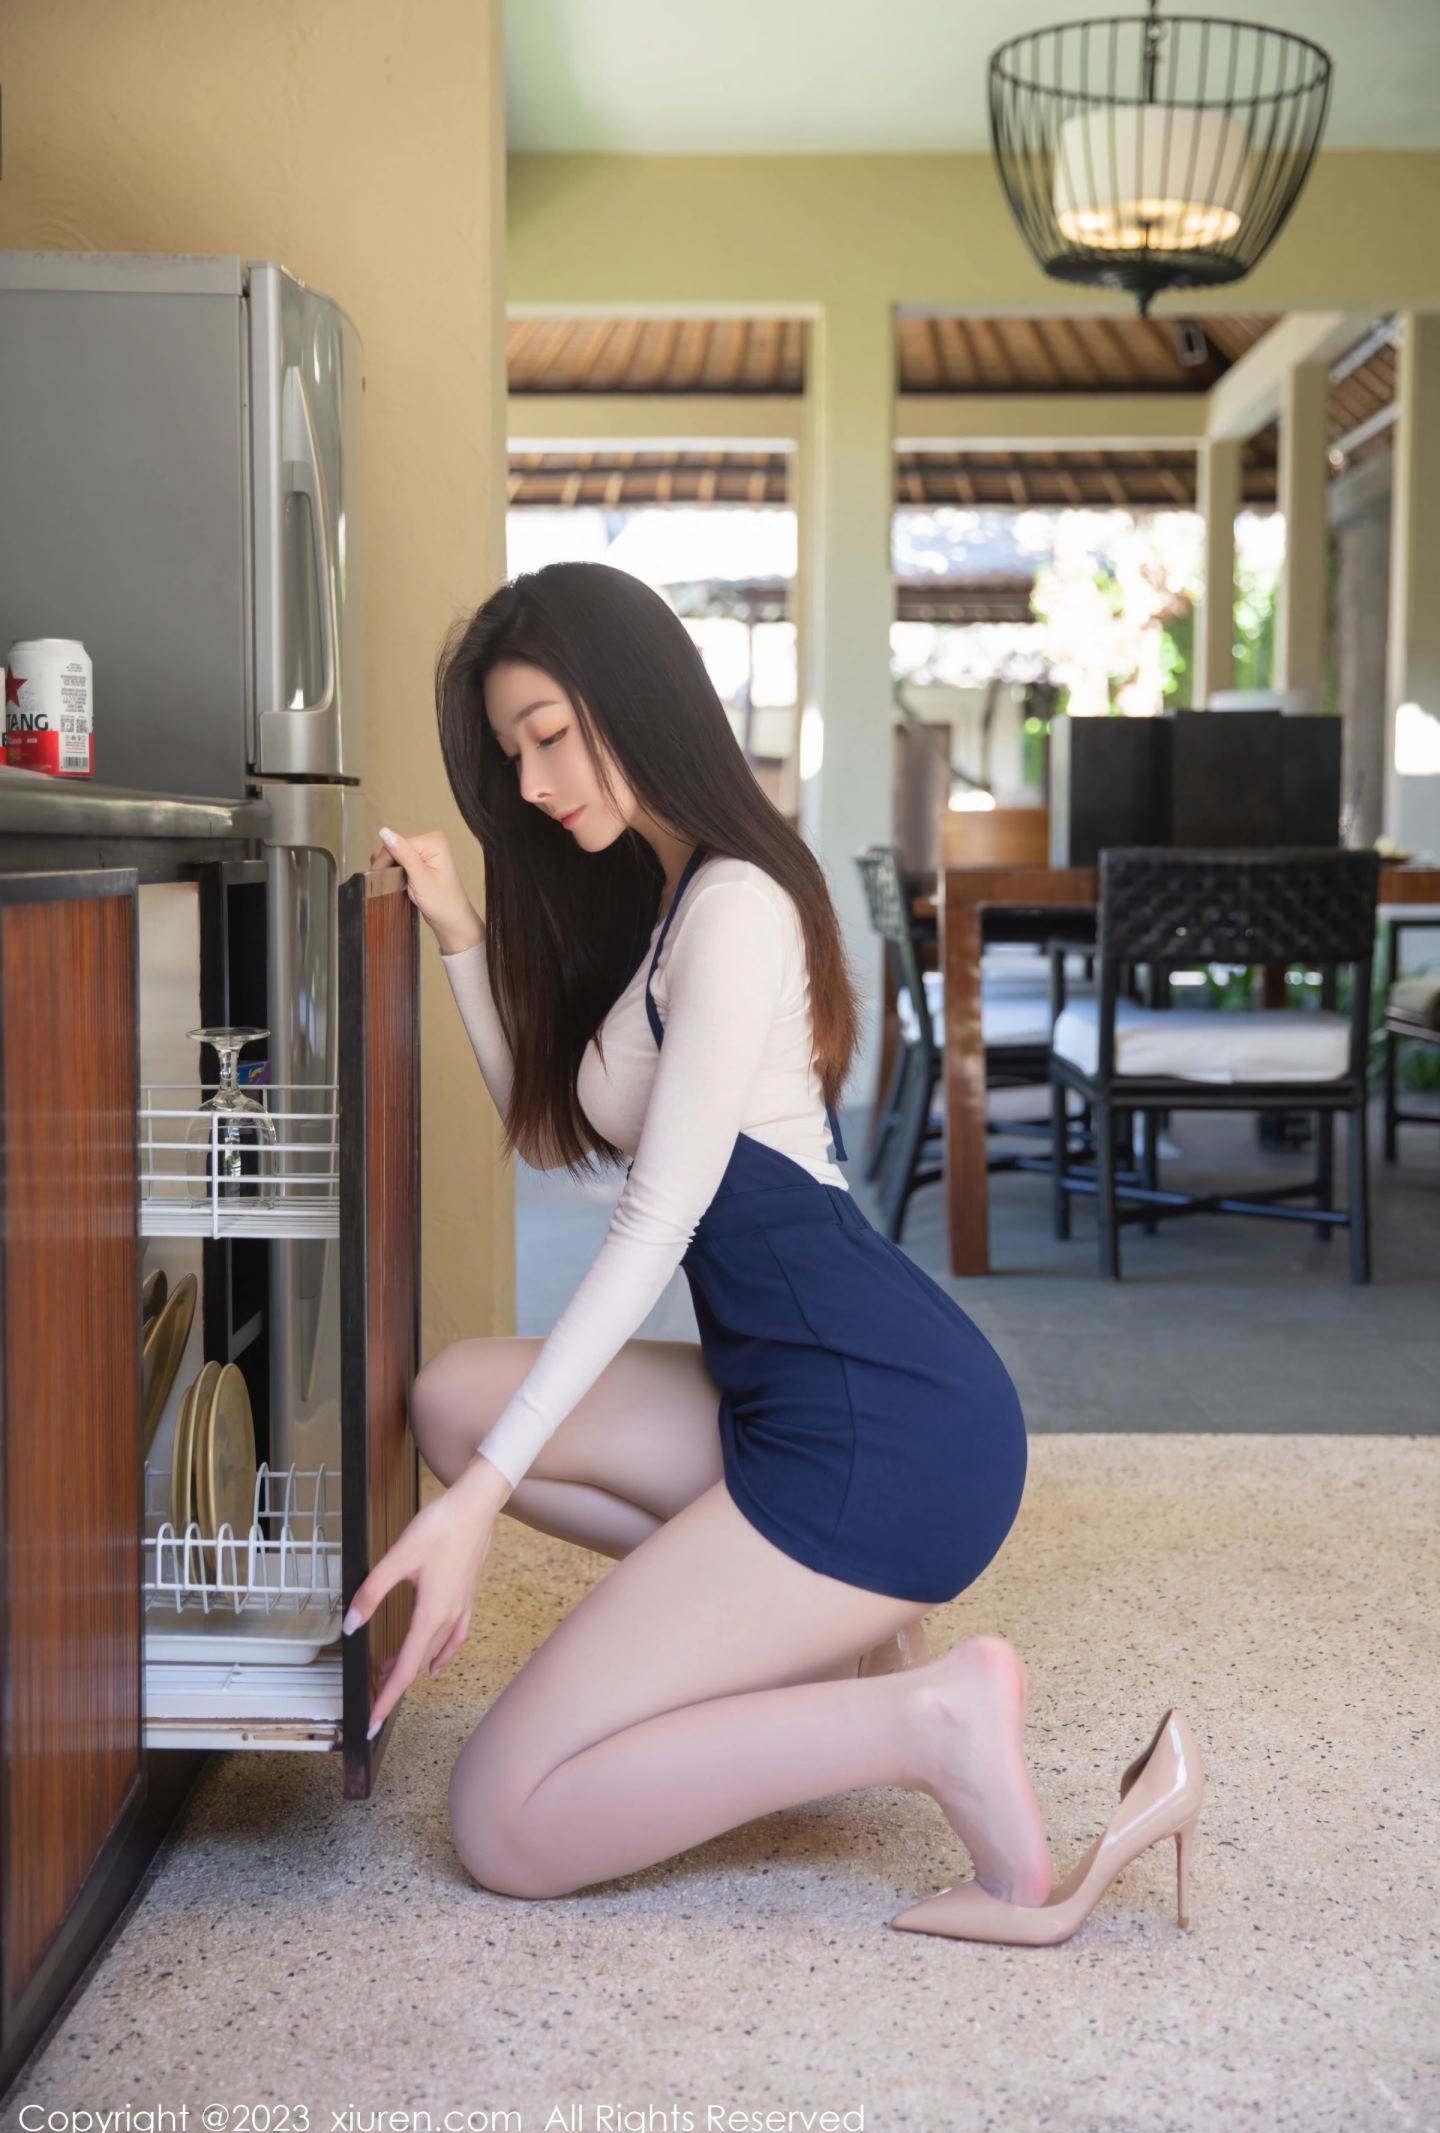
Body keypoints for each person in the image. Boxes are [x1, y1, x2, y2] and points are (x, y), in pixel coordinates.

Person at [341, 561, 1202, 1944]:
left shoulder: (737, 904)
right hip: (781, 1402)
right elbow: (563, 1143)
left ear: (636, 697)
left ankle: (930, 1717)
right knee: (452, 1398)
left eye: (550, 735)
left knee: (504, 1819)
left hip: (886, 1432)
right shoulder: (667, 899)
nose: (536, 782)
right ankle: (833, 1632)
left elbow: (657, 1217)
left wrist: (482, 1503)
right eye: (513, 756)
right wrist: (458, 934)